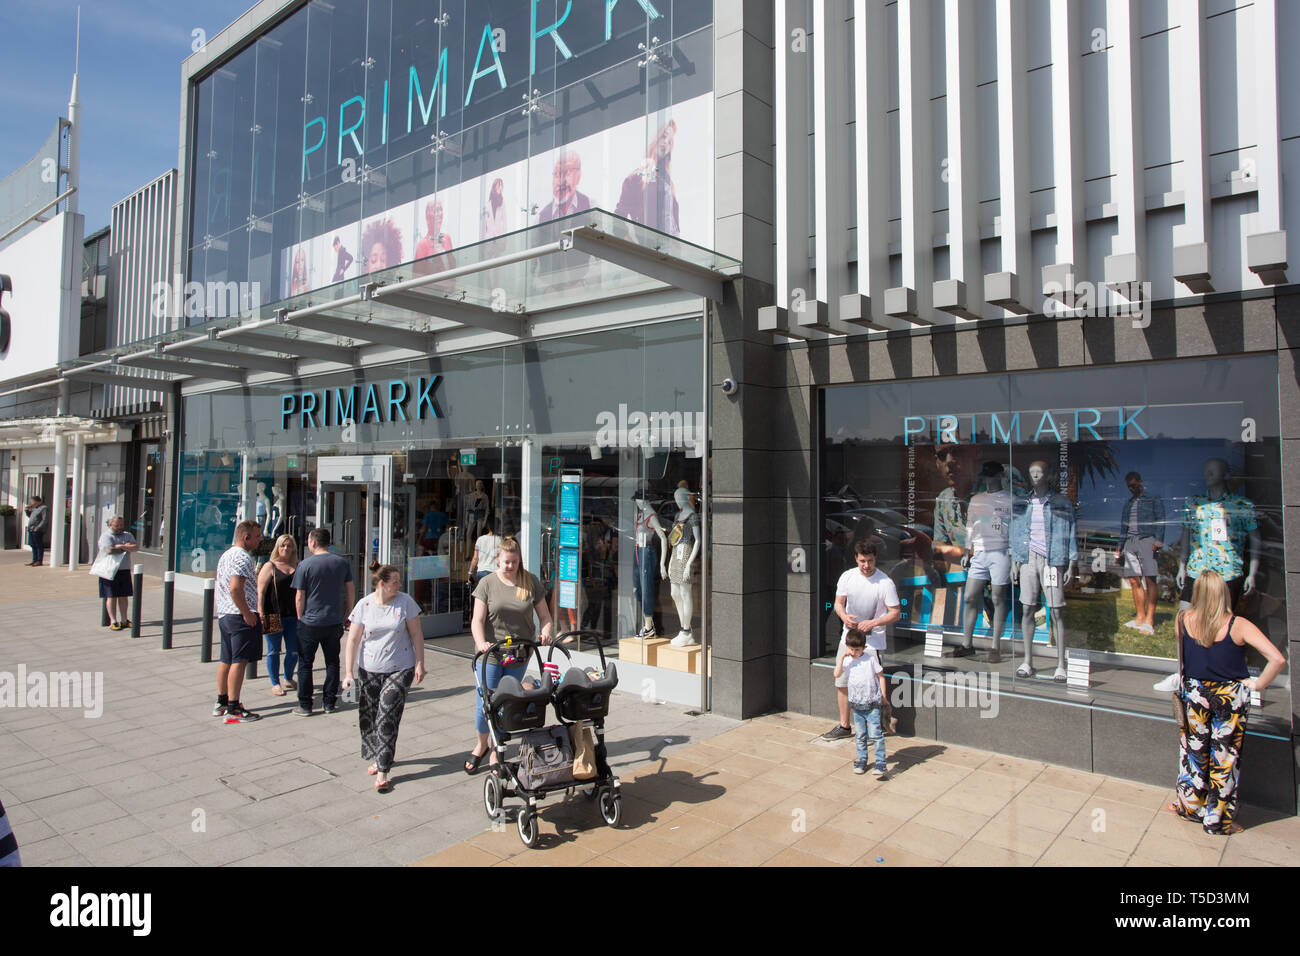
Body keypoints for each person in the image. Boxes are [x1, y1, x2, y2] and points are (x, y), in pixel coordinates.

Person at [1170, 571, 1285, 834]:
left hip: (1195, 694)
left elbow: (1186, 655)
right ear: (1224, 594)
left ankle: (1189, 807)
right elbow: (1277, 659)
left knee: (1193, 753)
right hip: (1229, 697)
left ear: (1196, 593)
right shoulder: (1238, 625)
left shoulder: (1182, 620)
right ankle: (1217, 821)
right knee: (1225, 759)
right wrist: (1258, 684)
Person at [465, 536, 554, 773]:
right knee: (486, 702)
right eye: (506, 562)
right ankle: (481, 744)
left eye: (514, 562)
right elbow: (477, 620)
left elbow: (545, 616)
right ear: (498, 560)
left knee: (506, 702)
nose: (510, 566)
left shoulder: (530, 582)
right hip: (491, 653)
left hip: (519, 653)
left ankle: (497, 749)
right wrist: (480, 641)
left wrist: (546, 632)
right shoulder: (487, 584)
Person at [342, 563, 426, 793]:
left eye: (399, 581)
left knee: (388, 714)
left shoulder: (405, 603)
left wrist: (420, 662)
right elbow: (353, 640)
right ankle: (377, 754)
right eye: (394, 582)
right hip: (368, 668)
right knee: (369, 715)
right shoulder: (364, 605)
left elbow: (416, 633)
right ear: (381, 584)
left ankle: (383, 769)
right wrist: (348, 672)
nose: (399, 585)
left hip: (400, 667)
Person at [823, 540, 900, 740]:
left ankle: (874, 726)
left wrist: (874, 623)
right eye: (863, 561)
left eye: (870, 561)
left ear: (876, 559)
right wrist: (844, 617)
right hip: (848, 638)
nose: (866, 566)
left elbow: (895, 613)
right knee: (842, 682)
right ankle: (844, 725)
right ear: (856, 559)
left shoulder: (885, 582)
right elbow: (839, 603)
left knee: (871, 685)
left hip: (872, 643)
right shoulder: (847, 577)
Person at [291, 527, 356, 716]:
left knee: (305, 663)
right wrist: (348, 612)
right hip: (333, 620)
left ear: (312, 542)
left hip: (310, 622)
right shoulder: (341, 563)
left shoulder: (305, 565)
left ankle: (305, 704)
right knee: (332, 662)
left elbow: (299, 596)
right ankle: (329, 702)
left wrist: (300, 616)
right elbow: (350, 589)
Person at [213, 520, 264, 723]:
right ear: (246, 537)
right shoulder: (242, 558)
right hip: (238, 615)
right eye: (257, 536)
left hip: (225, 614)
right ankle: (234, 706)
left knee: (226, 659)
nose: (260, 540)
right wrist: (247, 613)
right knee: (239, 661)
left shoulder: (227, 555)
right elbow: (235, 588)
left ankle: (222, 701)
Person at [1115, 471, 1164, 635]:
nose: (1131, 488)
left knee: (1150, 579)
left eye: (1134, 485)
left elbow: (1160, 519)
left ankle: (1149, 620)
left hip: (1147, 540)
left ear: (1141, 482)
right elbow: (1123, 527)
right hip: (1130, 542)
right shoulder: (1128, 504)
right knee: (1134, 581)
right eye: (1129, 486)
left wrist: (1158, 540)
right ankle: (1139, 617)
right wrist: (1120, 546)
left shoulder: (1152, 498)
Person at [835, 629, 889, 777]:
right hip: (856, 705)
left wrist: (883, 696)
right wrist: (842, 657)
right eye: (851, 649)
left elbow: (881, 676)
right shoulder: (848, 660)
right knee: (860, 735)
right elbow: (836, 674)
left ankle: (880, 762)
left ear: (864, 648)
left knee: (875, 734)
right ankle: (862, 760)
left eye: (857, 650)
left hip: (872, 704)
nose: (853, 652)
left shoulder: (870, 659)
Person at [614, 119, 680, 235]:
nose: (666, 143)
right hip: (649, 246)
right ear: (656, 137)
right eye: (664, 137)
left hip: (670, 247)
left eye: (670, 142)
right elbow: (619, 218)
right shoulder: (635, 178)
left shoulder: (668, 182)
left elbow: (674, 224)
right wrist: (631, 243)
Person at [257, 534, 300, 698]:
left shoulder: (298, 565)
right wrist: (260, 613)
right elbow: (260, 591)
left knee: (294, 650)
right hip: (273, 614)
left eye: (289, 545)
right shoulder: (270, 566)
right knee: (273, 651)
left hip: (293, 615)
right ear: (278, 547)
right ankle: (275, 683)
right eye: (283, 545)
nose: (286, 548)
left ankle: (288, 677)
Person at [97, 515, 139, 631]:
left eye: (121, 525)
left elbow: (135, 547)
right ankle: (113, 621)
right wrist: (126, 547)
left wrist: (120, 546)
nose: (119, 527)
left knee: (123, 596)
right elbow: (109, 550)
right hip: (110, 571)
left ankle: (125, 620)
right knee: (111, 596)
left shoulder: (128, 535)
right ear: (110, 525)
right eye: (117, 525)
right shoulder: (106, 536)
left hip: (124, 569)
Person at [538, 150, 592, 223]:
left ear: (578, 176)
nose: (560, 182)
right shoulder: (541, 217)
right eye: (556, 174)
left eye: (567, 172)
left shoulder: (591, 206)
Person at [469, 520, 502, 585]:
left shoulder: (480, 539)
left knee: (483, 594)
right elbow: (500, 559)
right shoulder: (500, 539)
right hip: (494, 572)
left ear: (488, 527)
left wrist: (470, 572)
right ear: (498, 527)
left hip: (481, 572)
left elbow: (475, 558)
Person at [25, 496, 48, 566]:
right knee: (32, 544)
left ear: (37, 501)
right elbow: (31, 516)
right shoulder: (34, 508)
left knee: (38, 545)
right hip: (31, 529)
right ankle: (34, 560)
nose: (31, 503)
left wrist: (37, 528)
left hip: (37, 530)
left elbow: (45, 520)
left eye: (32, 501)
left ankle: (39, 561)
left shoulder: (43, 508)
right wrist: (27, 511)